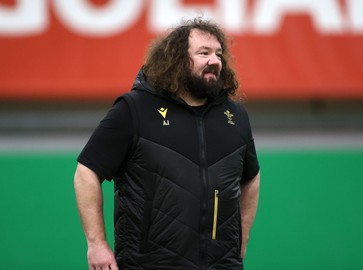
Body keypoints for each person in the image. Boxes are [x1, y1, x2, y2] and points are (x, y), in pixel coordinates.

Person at [74, 18, 260, 270]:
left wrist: (242, 238)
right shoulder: (134, 109)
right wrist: (96, 244)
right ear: (177, 59)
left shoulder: (235, 116)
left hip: (222, 265)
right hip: (148, 263)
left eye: (218, 54)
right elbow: (87, 172)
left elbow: (251, 177)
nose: (214, 61)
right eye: (203, 53)